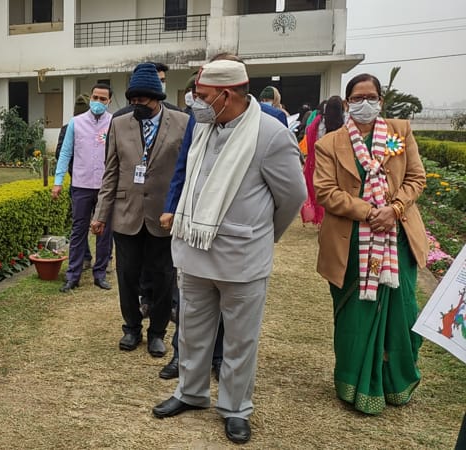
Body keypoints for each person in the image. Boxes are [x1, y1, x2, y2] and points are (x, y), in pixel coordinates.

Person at [151, 58, 305, 445]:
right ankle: (190, 392)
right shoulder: (204, 127)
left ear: (225, 95)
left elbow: (292, 196)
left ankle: (236, 408)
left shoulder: (270, 134)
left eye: (201, 96)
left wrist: (260, 234)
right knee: (192, 332)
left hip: (242, 257)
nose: (194, 103)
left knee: (239, 340)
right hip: (195, 252)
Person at [313, 73, 427, 415]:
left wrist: (394, 209)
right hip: (350, 244)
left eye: (371, 97)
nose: (365, 103)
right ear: (348, 104)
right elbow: (325, 191)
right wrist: (369, 212)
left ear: (381, 100)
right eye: (358, 98)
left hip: (396, 240)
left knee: (402, 309)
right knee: (355, 317)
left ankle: (395, 382)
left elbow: (415, 177)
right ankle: (354, 383)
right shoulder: (330, 144)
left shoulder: (399, 132)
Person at [92, 63, 188, 356]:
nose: (137, 105)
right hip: (127, 213)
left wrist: (180, 210)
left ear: (157, 97)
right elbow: (111, 171)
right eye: (132, 100)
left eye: (142, 100)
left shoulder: (183, 122)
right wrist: (100, 214)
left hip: (164, 215)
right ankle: (131, 327)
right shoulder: (119, 124)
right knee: (127, 275)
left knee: (163, 277)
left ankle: (157, 332)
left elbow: (187, 172)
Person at [53, 83, 114, 292]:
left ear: (109, 101)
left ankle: (100, 273)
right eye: (95, 97)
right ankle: (73, 275)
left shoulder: (114, 123)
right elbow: (65, 152)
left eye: (103, 99)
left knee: (104, 231)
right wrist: (58, 181)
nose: (98, 102)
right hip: (81, 184)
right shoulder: (76, 123)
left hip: (106, 186)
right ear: (90, 98)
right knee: (79, 230)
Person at [300, 95, 344, 227]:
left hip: (318, 164)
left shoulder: (317, 124)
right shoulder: (344, 125)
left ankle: (321, 220)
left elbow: (310, 139)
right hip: (337, 165)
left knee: (320, 192)